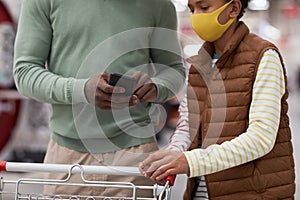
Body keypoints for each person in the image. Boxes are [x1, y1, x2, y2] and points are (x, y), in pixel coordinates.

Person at [13, 0, 185, 198]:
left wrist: (156, 87)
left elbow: (173, 70)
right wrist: (81, 90)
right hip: (67, 155)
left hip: (134, 156)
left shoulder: (158, 5)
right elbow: (25, 72)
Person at [139, 0, 296, 199]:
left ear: (233, 8)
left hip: (253, 192)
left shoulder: (263, 56)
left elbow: (261, 138)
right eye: (192, 9)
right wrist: (172, 156)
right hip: (202, 193)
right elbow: (188, 125)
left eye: (204, 8)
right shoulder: (198, 65)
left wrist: (189, 162)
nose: (196, 16)